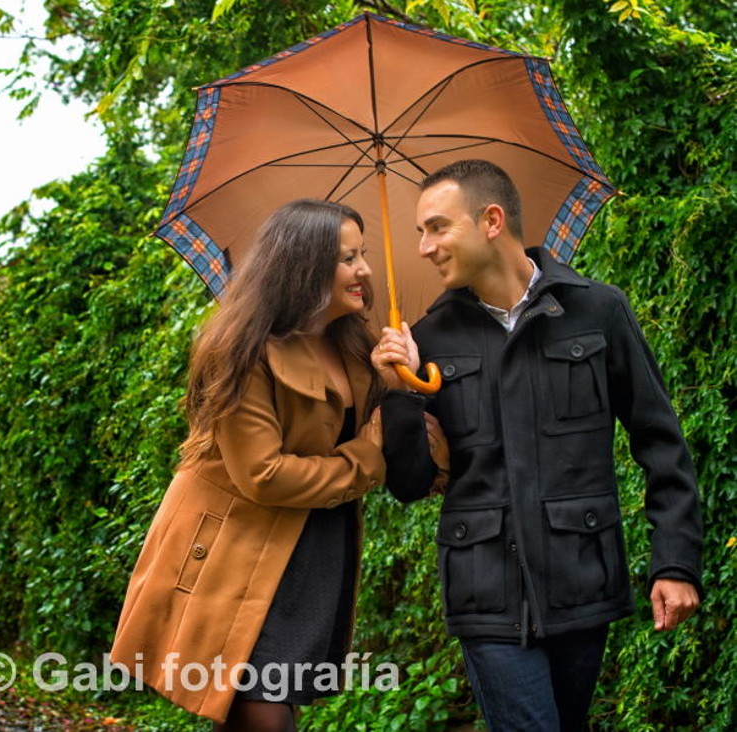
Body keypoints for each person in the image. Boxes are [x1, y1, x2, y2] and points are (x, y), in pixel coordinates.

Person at [378, 159, 704, 731]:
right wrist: (400, 392)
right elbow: (407, 485)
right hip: (485, 595)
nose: (425, 247)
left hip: (582, 580)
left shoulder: (598, 310)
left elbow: (660, 441)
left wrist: (674, 561)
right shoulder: (427, 339)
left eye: (437, 227)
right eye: (419, 233)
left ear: (492, 221)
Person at [109, 198, 441, 731]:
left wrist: (394, 379)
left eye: (362, 255)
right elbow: (264, 475)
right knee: (261, 709)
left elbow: (375, 435)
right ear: (303, 266)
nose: (364, 271)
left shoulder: (354, 345)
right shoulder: (242, 350)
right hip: (239, 556)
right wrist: (368, 455)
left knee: (252, 709)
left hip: (314, 548)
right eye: (347, 258)